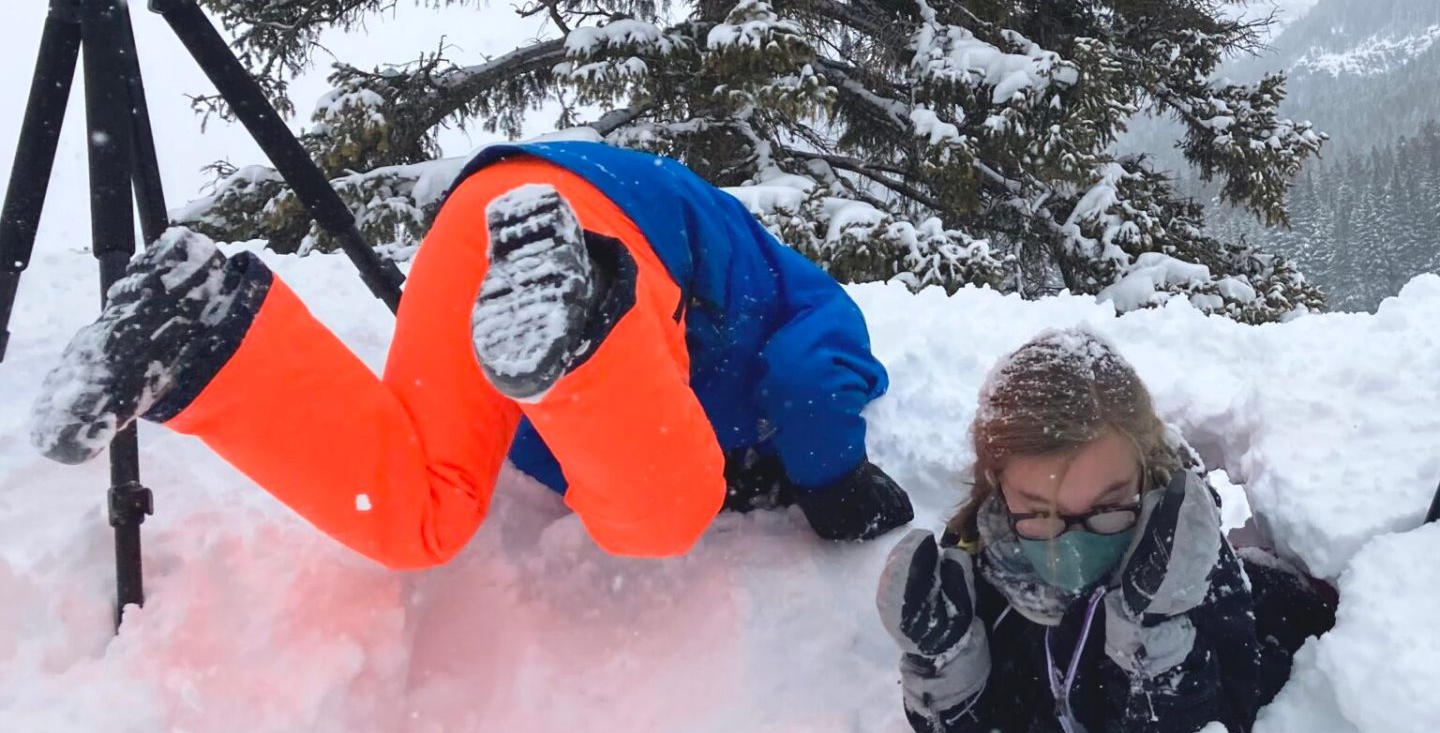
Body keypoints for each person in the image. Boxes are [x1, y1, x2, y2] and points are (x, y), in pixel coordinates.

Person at [35, 139, 912, 568]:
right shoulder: (800, 289)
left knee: (420, 514)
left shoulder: (524, 339)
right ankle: (585, 310)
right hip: (606, 225)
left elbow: (548, 430)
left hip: (477, 222)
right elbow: (812, 377)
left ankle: (205, 335)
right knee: (664, 515)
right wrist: (835, 481)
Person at [876, 329, 1336, 733]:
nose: (1071, 548)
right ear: (996, 486)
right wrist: (944, 663)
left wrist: (1155, 633)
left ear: (1144, 468)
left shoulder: (1187, 565)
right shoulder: (980, 569)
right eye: (1039, 513)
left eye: (1106, 509)